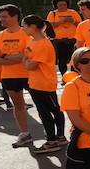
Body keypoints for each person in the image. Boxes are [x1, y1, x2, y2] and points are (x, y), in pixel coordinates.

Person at [20, 16, 63, 153]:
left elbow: (30, 65)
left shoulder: (43, 44)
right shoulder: (32, 41)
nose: (23, 29)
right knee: (47, 112)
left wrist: (26, 60)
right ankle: (56, 137)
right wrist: (26, 60)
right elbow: (26, 60)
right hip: (35, 83)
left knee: (49, 112)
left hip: (44, 84)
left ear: (32, 27)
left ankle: (53, 140)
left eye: (24, 26)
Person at [0, 5, 32, 146]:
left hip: (30, 73)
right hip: (9, 76)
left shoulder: (27, 33)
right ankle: (25, 133)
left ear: (15, 16)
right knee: (18, 105)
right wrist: (18, 57)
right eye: (0, 17)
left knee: (41, 104)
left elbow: (29, 55)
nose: (1, 19)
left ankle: (53, 134)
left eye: (4, 16)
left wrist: (5, 56)